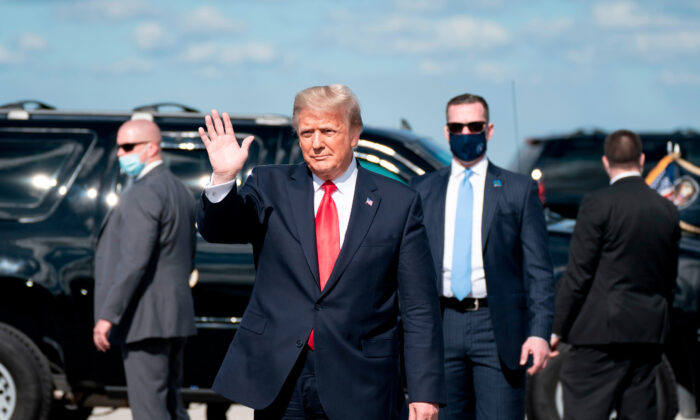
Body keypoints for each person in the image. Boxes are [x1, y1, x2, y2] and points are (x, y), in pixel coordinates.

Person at [196, 84, 445, 420]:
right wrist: (224, 177)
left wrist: (425, 391)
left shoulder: (398, 202)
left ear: (355, 134)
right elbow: (219, 230)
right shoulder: (270, 186)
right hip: (282, 378)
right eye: (307, 132)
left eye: (328, 130)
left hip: (361, 380)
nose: (316, 143)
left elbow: (419, 308)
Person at [411, 93, 555, 419]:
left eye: (473, 126)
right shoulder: (422, 190)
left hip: (497, 327)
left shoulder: (517, 190)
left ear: (488, 130)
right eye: (457, 127)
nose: (465, 134)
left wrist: (539, 332)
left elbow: (539, 270)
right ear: (446, 132)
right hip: (441, 326)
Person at [550, 129, 681, 420]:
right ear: (643, 160)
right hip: (647, 335)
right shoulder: (667, 209)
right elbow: (668, 279)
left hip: (599, 336)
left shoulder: (598, 203)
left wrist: (556, 328)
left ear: (606, 162)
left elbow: (579, 274)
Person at [93, 119, 197, 420]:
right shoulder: (180, 190)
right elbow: (187, 256)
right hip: (175, 315)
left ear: (151, 148)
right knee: (172, 404)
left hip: (145, 318)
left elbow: (133, 261)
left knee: (150, 410)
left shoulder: (143, 192)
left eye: (127, 147)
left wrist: (107, 315)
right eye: (118, 147)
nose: (119, 154)